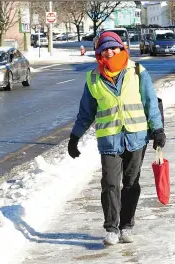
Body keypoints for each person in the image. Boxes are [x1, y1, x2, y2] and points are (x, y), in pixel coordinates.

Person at [67, 31, 166, 246]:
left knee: (131, 184)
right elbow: (86, 112)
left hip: (136, 136)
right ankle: (111, 228)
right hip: (109, 140)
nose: (109, 51)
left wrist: (157, 130)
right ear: (99, 52)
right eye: (104, 48)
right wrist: (75, 137)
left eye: (113, 47)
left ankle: (127, 226)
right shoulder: (93, 78)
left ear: (122, 48)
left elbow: (150, 103)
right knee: (110, 184)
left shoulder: (138, 71)